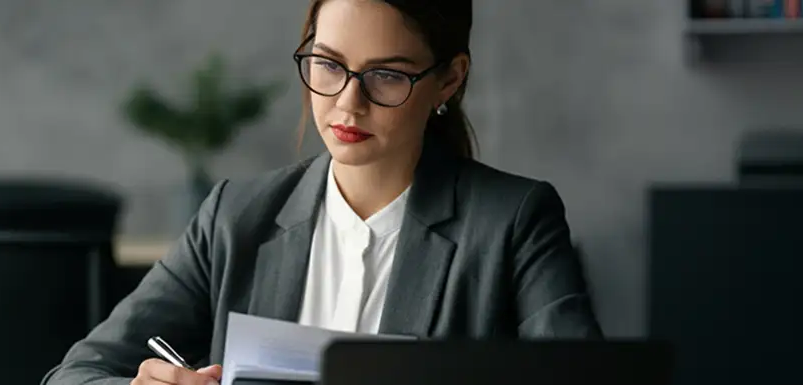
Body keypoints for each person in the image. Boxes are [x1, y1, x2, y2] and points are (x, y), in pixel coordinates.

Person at [44, 0, 602, 384]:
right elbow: (73, 374)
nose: (347, 103)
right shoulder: (235, 218)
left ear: (449, 80)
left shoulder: (514, 223)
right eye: (329, 65)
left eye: (386, 75)